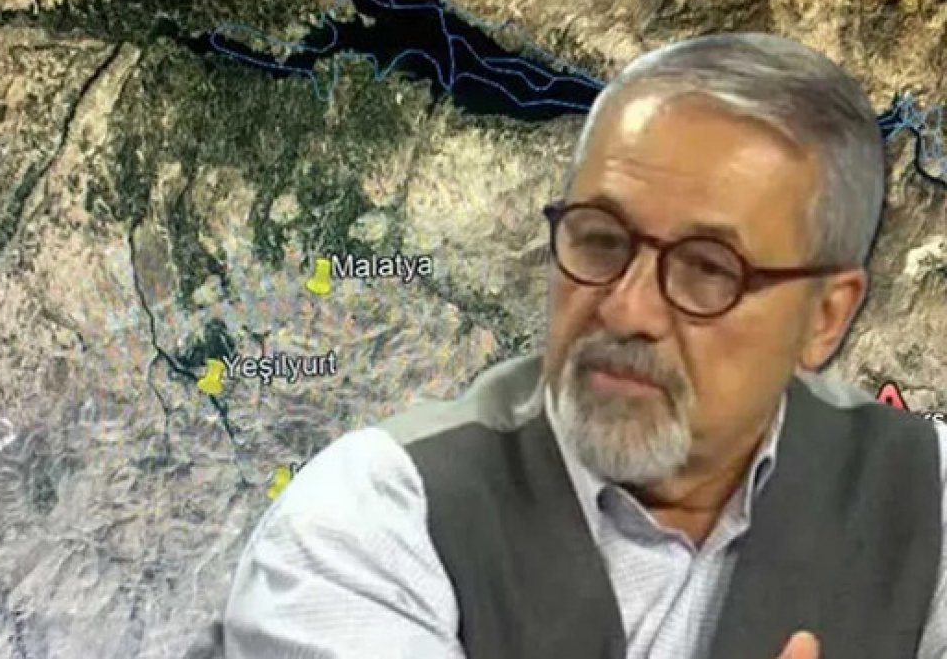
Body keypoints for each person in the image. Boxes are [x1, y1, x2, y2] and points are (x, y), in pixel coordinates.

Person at [220, 33, 947, 659]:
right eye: (600, 239)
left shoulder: (927, 496)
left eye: (707, 269)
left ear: (825, 317)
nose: (627, 308)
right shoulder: (372, 524)